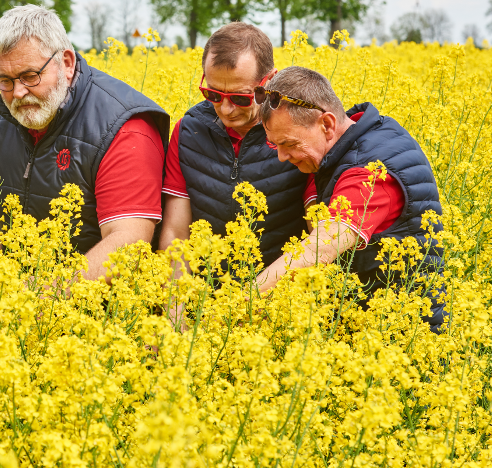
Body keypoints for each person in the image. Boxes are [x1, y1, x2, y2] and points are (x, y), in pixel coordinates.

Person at [0, 5, 170, 283]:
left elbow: (129, 241)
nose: (18, 93)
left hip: (98, 301)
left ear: (67, 63)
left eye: (30, 76)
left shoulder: (123, 128)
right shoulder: (1, 122)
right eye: (5, 80)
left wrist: (45, 294)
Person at [256, 66, 446, 332]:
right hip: (370, 327)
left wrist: (246, 301)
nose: (281, 157)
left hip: (402, 334)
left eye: (289, 144)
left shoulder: (370, 172)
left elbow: (320, 249)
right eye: (274, 144)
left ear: (327, 124)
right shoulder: (358, 139)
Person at [159, 22, 314, 273]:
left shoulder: (300, 132)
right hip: (205, 289)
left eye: (240, 97)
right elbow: (176, 233)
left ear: (270, 81)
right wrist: (179, 295)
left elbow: (318, 236)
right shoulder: (188, 131)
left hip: (281, 287)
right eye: (213, 94)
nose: (225, 109)